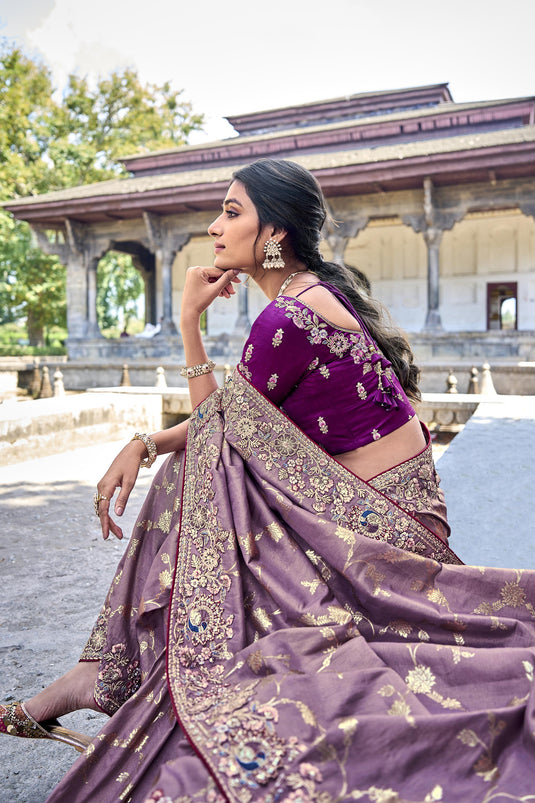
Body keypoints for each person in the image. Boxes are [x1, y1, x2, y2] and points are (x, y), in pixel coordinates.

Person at [2, 159, 535, 802]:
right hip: (391, 514)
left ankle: (96, 675)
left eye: (232, 212)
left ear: (274, 232)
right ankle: (95, 674)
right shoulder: (313, 295)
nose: (213, 226)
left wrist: (189, 325)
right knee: (191, 465)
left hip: (385, 536)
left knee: (194, 471)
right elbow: (231, 415)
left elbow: (215, 430)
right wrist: (142, 442)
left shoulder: (287, 318)